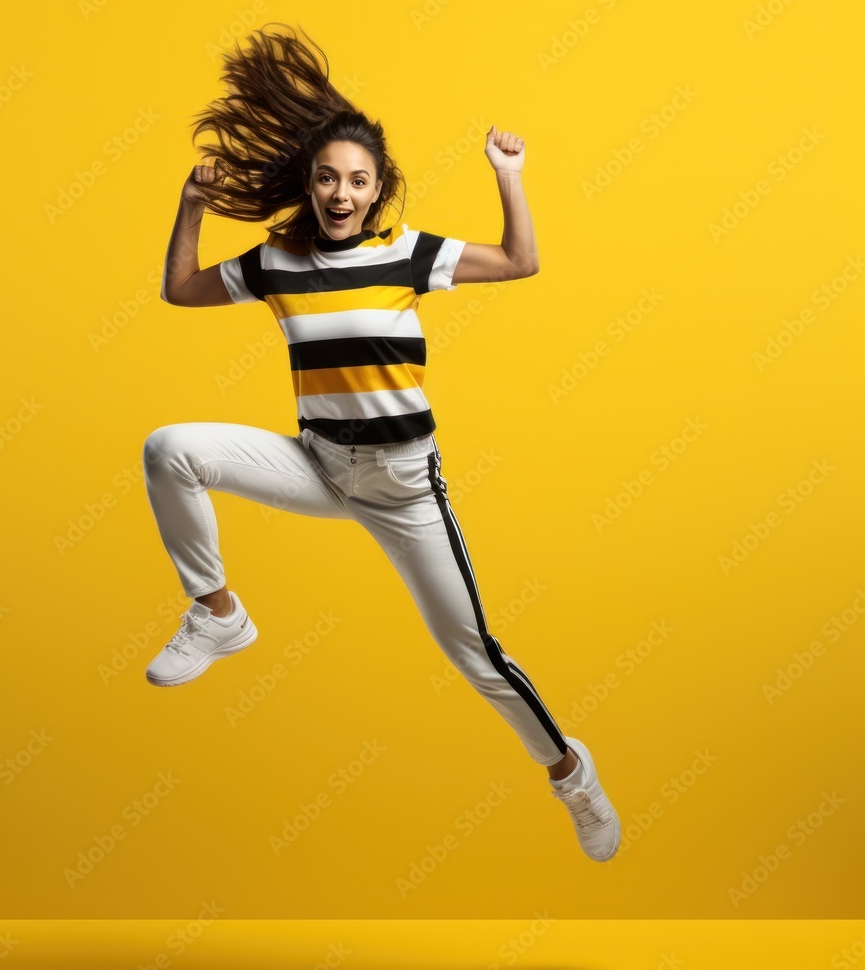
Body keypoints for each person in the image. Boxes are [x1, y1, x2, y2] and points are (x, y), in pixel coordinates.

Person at [141, 23, 620, 862]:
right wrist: (188, 209)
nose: (340, 192)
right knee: (169, 448)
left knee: (475, 654)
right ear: (310, 182)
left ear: (375, 189)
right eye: (327, 177)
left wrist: (509, 177)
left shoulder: (406, 253)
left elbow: (519, 261)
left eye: (356, 181)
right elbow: (180, 290)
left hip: (403, 487)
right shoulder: (277, 261)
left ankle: (571, 775)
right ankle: (218, 613)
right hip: (319, 465)